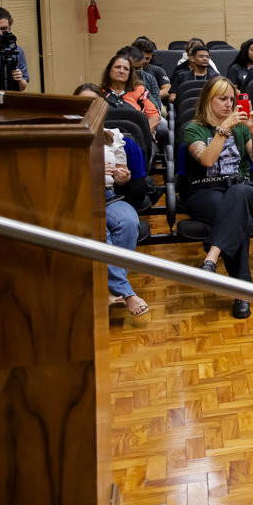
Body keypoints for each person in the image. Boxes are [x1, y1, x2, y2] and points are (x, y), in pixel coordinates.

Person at [182, 76, 253, 318]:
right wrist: (223, 128)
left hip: (241, 187)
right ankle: (242, 293)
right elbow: (207, 160)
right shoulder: (193, 129)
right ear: (208, 101)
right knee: (234, 217)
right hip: (205, 190)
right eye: (222, 99)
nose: (229, 104)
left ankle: (212, 256)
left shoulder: (241, 128)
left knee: (238, 195)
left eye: (232, 99)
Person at [76, 83, 151, 316]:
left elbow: (122, 179)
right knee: (101, 229)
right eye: (84, 103)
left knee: (129, 221)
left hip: (108, 196)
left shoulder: (114, 136)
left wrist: (123, 176)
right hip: (80, 198)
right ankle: (126, 293)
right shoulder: (66, 134)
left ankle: (109, 289)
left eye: (94, 103)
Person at [101, 53, 162, 134]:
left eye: (126, 69)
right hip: (107, 138)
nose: (121, 71)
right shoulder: (100, 94)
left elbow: (154, 117)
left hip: (136, 137)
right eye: (117, 67)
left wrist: (143, 135)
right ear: (109, 70)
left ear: (130, 73)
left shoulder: (140, 91)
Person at [0, 7, 29, 91]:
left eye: (4, 29)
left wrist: (19, 79)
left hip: (9, 99)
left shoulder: (18, 51)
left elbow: (22, 87)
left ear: (9, 29)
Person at [133, 37, 171, 103]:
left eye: (147, 58)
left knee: (163, 113)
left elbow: (167, 89)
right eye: (141, 58)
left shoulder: (157, 70)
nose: (144, 61)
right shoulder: (125, 70)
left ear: (151, 56)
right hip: (130, 101)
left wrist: (148, 97)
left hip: (152, 102)